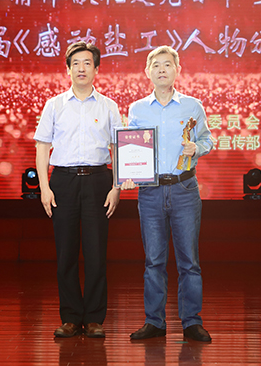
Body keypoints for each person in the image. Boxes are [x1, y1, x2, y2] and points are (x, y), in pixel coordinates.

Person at [122, 45, 214, 342]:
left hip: (184, 188)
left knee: (189, 261)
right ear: (147, 72)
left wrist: (196, 148)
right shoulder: (137, 109)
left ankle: (192, 322)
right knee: (154, 261)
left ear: (177, 70)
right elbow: (130, 147)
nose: (162, 70)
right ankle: (154, 322)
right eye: (156, 65)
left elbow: (208, 139)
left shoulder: (192, 106)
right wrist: (128, 174)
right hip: (150, 190)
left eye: (167, 65)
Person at [34, 41, 122, 339]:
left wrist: (116, 187)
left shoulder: (109, 106)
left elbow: (119, 148)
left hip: (98, 180)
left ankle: (95, 318)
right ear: (68, 69)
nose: (81, 68)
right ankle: (70, 317)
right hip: (63, 181)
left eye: (87, 63)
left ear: (96, 69)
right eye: (76, 63)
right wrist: (44, 188)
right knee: (66, 252)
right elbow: (42, 147)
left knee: (96, 253)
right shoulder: (55, 105)